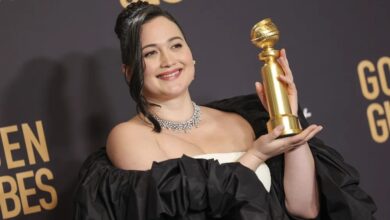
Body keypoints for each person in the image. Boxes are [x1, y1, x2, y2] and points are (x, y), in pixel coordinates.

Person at [73, 1, 376, 219]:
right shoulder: (129, 138)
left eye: (176, 45)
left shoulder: (242, 121)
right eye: (150, 53)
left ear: (192, 56)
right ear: (129, 72)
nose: (168, 60)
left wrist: (286, 117)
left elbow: (303, 208)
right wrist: (255, 157)